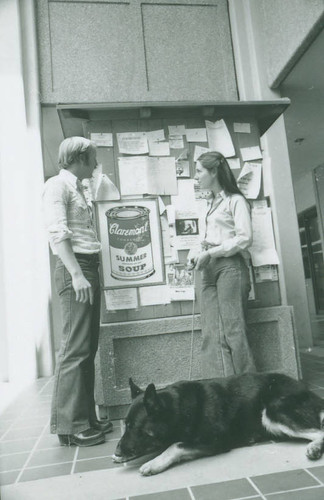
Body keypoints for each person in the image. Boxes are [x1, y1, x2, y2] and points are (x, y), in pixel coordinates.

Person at [43, 137, 113, 446]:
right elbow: (57, 233)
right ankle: (69, 426)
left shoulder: (77, 188)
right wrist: (76, 275)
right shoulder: (57, 186)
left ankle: (85, 416)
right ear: (79, 158)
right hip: (77, 270)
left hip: (87, 268)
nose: (96, 164)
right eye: (93, 158)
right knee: (74, 349)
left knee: (87, 347)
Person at [189, 151, 255, 378]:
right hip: (208, 269)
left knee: (233, 331)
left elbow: (245, 238)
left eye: (198, 171)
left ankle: (250, 391)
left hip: (230, 267)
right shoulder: (209, 203)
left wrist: (213, 252)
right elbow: (209, 236)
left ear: (214, 171)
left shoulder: (236, 201)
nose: (195, 176)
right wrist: (197, 253)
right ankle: (219, 393)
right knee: (211, 333)